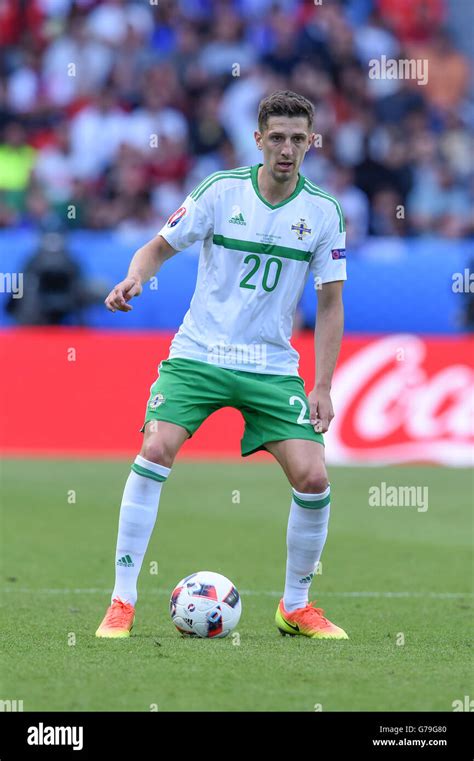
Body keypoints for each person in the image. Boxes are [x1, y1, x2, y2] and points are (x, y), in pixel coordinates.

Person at [95, 90, 349, 640]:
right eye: (276, 138)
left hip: (271, 364)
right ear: (258, 140)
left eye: (297, 139)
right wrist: (137, 275)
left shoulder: (324, 212)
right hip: (199, 355)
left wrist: (323, 384)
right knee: (155, 448)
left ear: (311, 142)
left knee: (313, 476)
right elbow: (158, 246)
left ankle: (296, 607)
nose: (287, 149)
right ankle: (122, 601)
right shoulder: (219, 191)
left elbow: (330, 303)